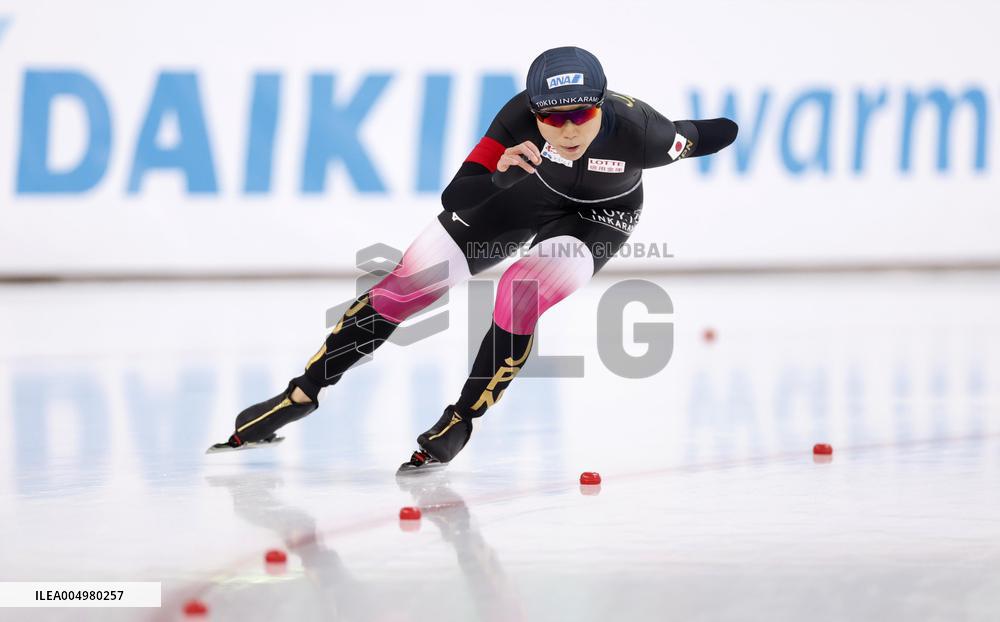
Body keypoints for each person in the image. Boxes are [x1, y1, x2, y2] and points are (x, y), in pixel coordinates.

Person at [208, 46, 738, 472]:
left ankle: (460, 419)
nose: (568, 129)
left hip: (600, 216)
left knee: (520, 291)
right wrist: (501, 175)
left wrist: (728, 125)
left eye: (582, 113)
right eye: (552, 118)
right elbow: (456, 196)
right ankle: (302, 393)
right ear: (534, 113)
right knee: (405, 286)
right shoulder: (515, 119)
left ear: (601, 104)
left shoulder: (646, 133)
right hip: (523, 192)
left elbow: (714, 133)